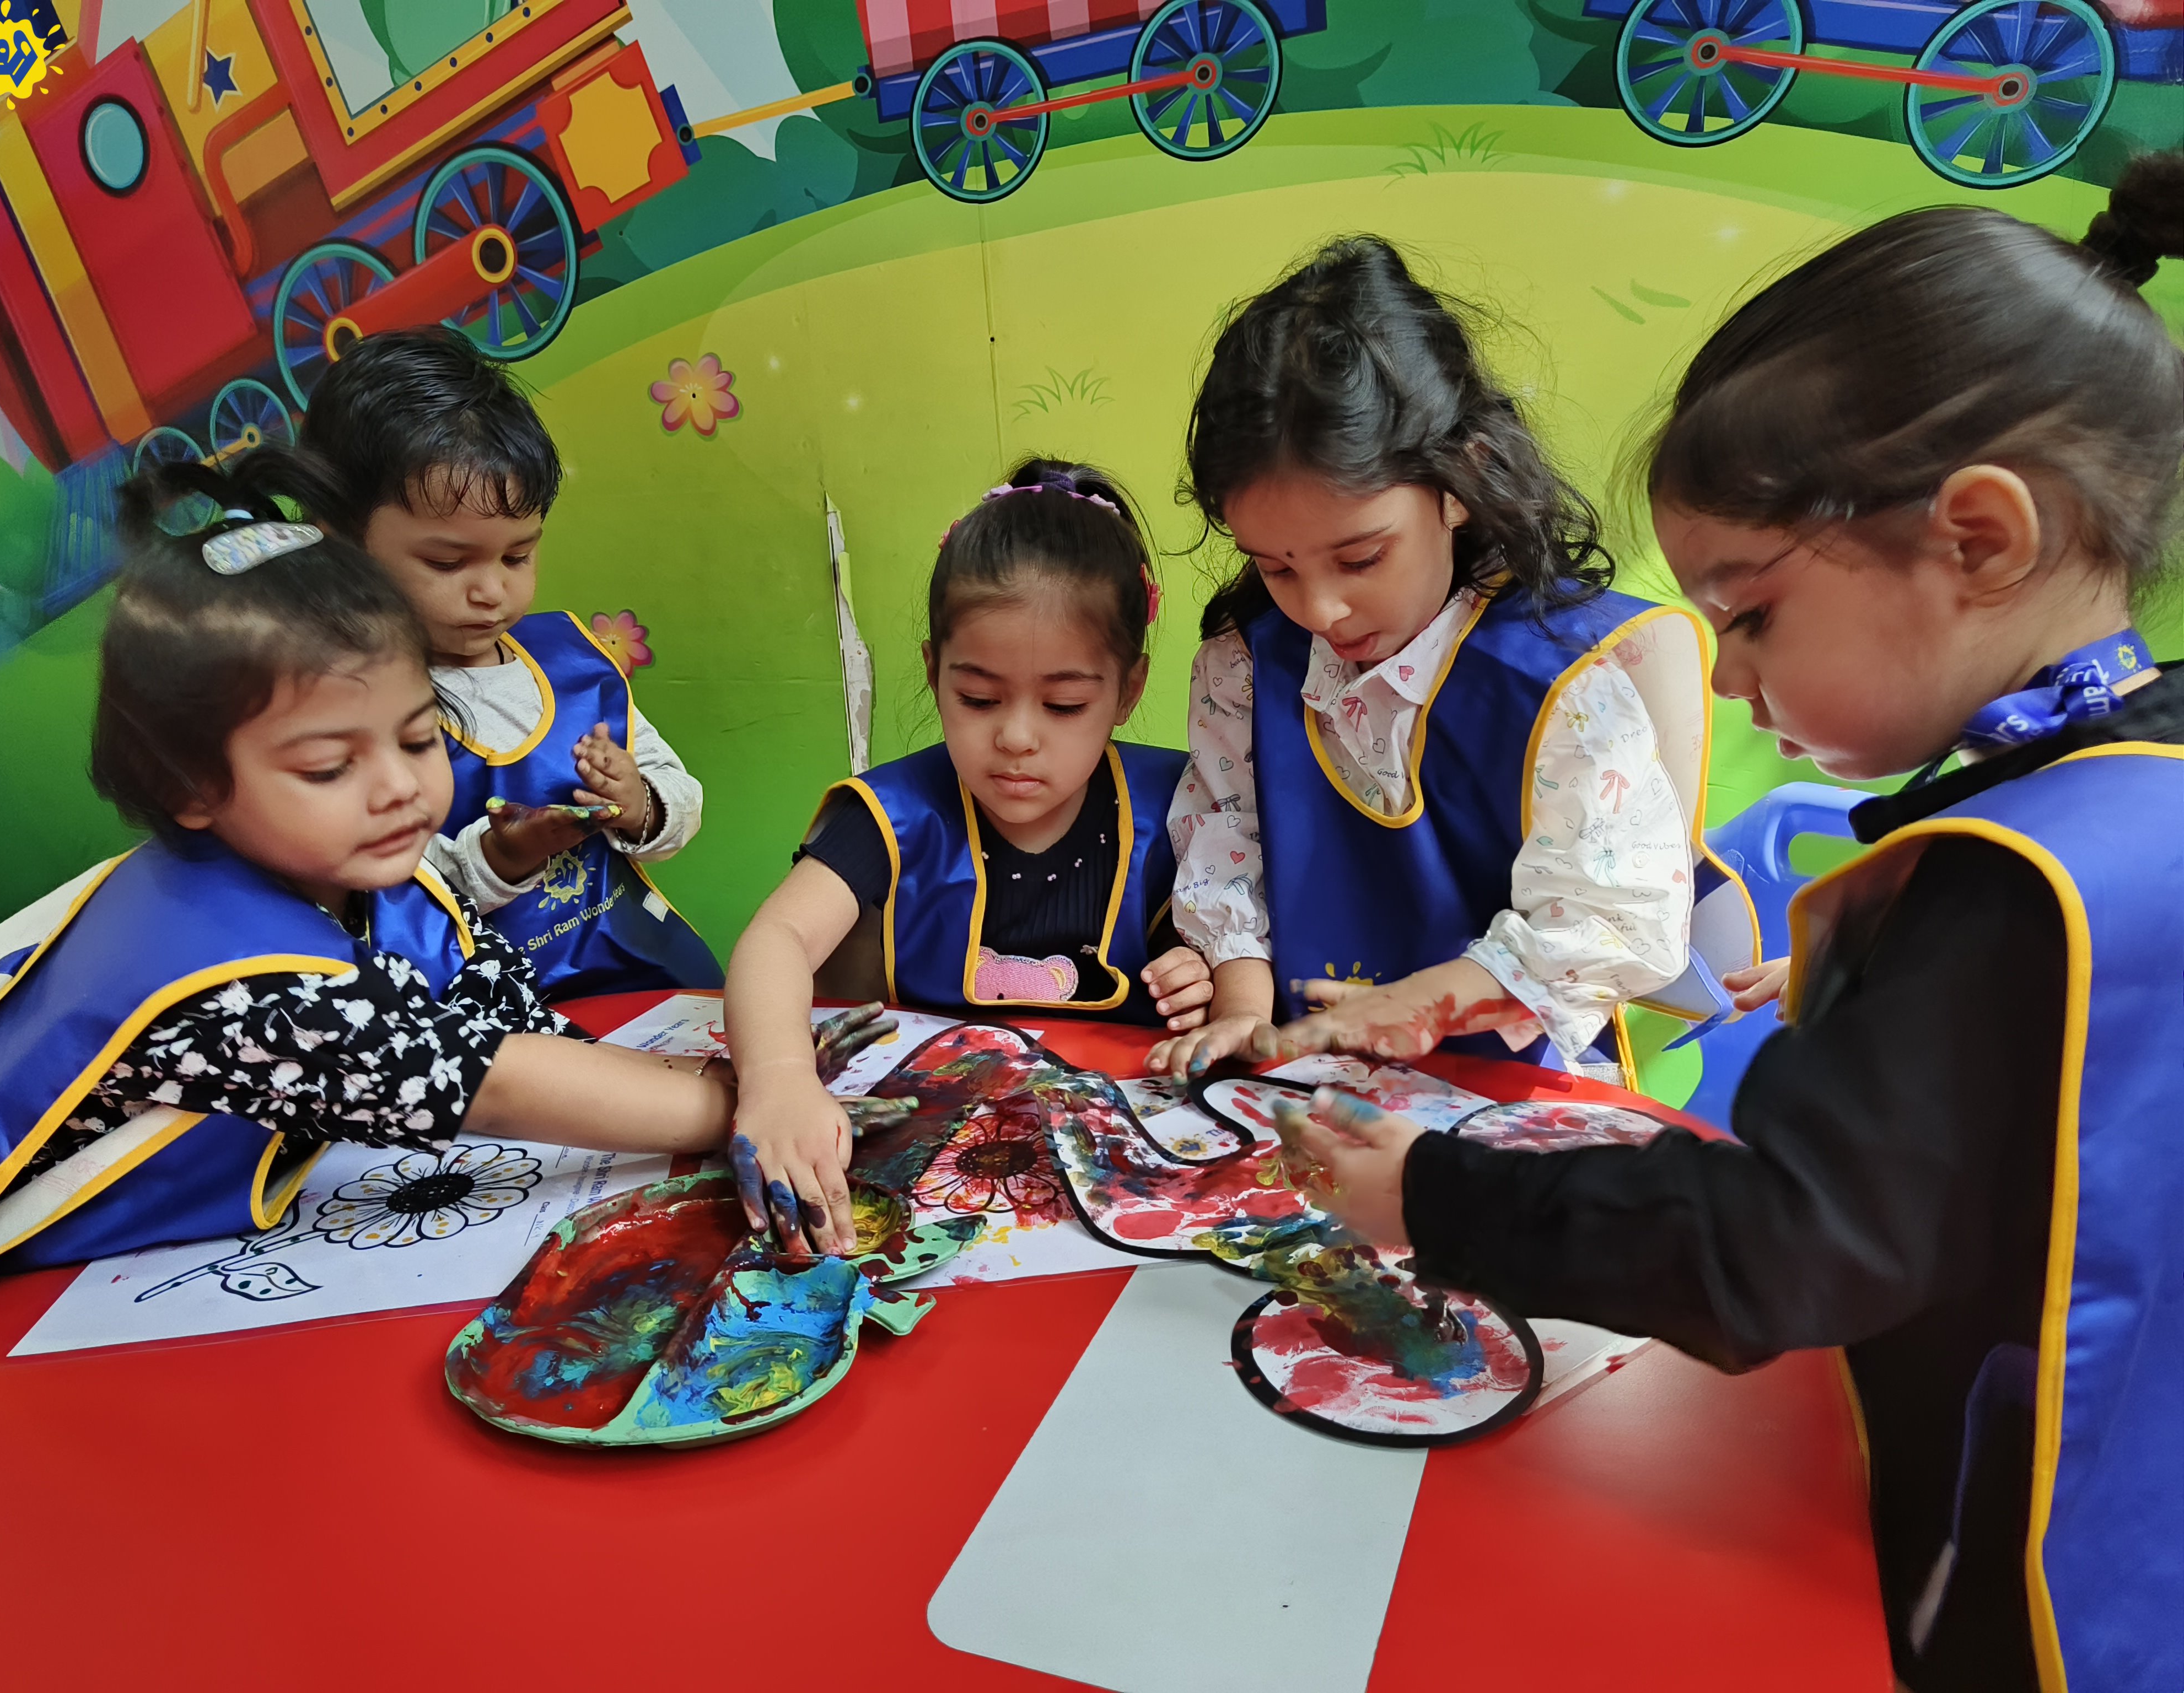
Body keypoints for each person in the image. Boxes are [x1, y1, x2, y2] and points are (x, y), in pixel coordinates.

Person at [1277, 156, 2184, 1693]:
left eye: (1751, 613)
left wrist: (1430, 1194)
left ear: (1979, 539)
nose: (1730, 678)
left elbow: (1774, 1249)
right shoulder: (2142, 785)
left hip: (2029, 1583)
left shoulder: (2005, 894)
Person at [0, 459, 805, 1290]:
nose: (399, 788)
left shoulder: (369, 874)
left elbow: (515, 1023)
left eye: (419, 738)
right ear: (188, 785)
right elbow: (488, 1081)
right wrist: (764, 1101)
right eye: (328, 768)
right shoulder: (235, 981)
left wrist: (759, 1080)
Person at [1150, 236, 1736, 1086]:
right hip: (1306, 1080)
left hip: (1515, 1092)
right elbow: (1225, 843)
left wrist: (1426, 1003)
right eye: (1275, 567)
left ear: (1461, 483)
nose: (1319, 609)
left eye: (1361, 558)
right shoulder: (1245, 665)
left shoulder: (1557, 683)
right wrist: (1244, 1011)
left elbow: (1614, 923)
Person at [723, 459, 1212, 1254]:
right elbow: (775, 939)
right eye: (978, 698)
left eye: (1064, 704)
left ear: (1127, 690)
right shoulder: (890, 815)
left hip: (1124, 1169)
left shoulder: (1181, 809)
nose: (1016, 736)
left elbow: (1235, 966)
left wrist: (1202, 973)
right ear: (933, 672)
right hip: (921, 1165)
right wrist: (777, 1078)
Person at [297, 326, 720, 999]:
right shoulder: (343, 709)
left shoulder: (572, 662)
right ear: (338, 543)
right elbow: (375, 903)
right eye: (447, 563)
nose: (492, 591)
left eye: (517, 556)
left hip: (644, 979)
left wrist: (640, 803)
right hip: (489, 1021)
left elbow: (680, 799)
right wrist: (497, 860)